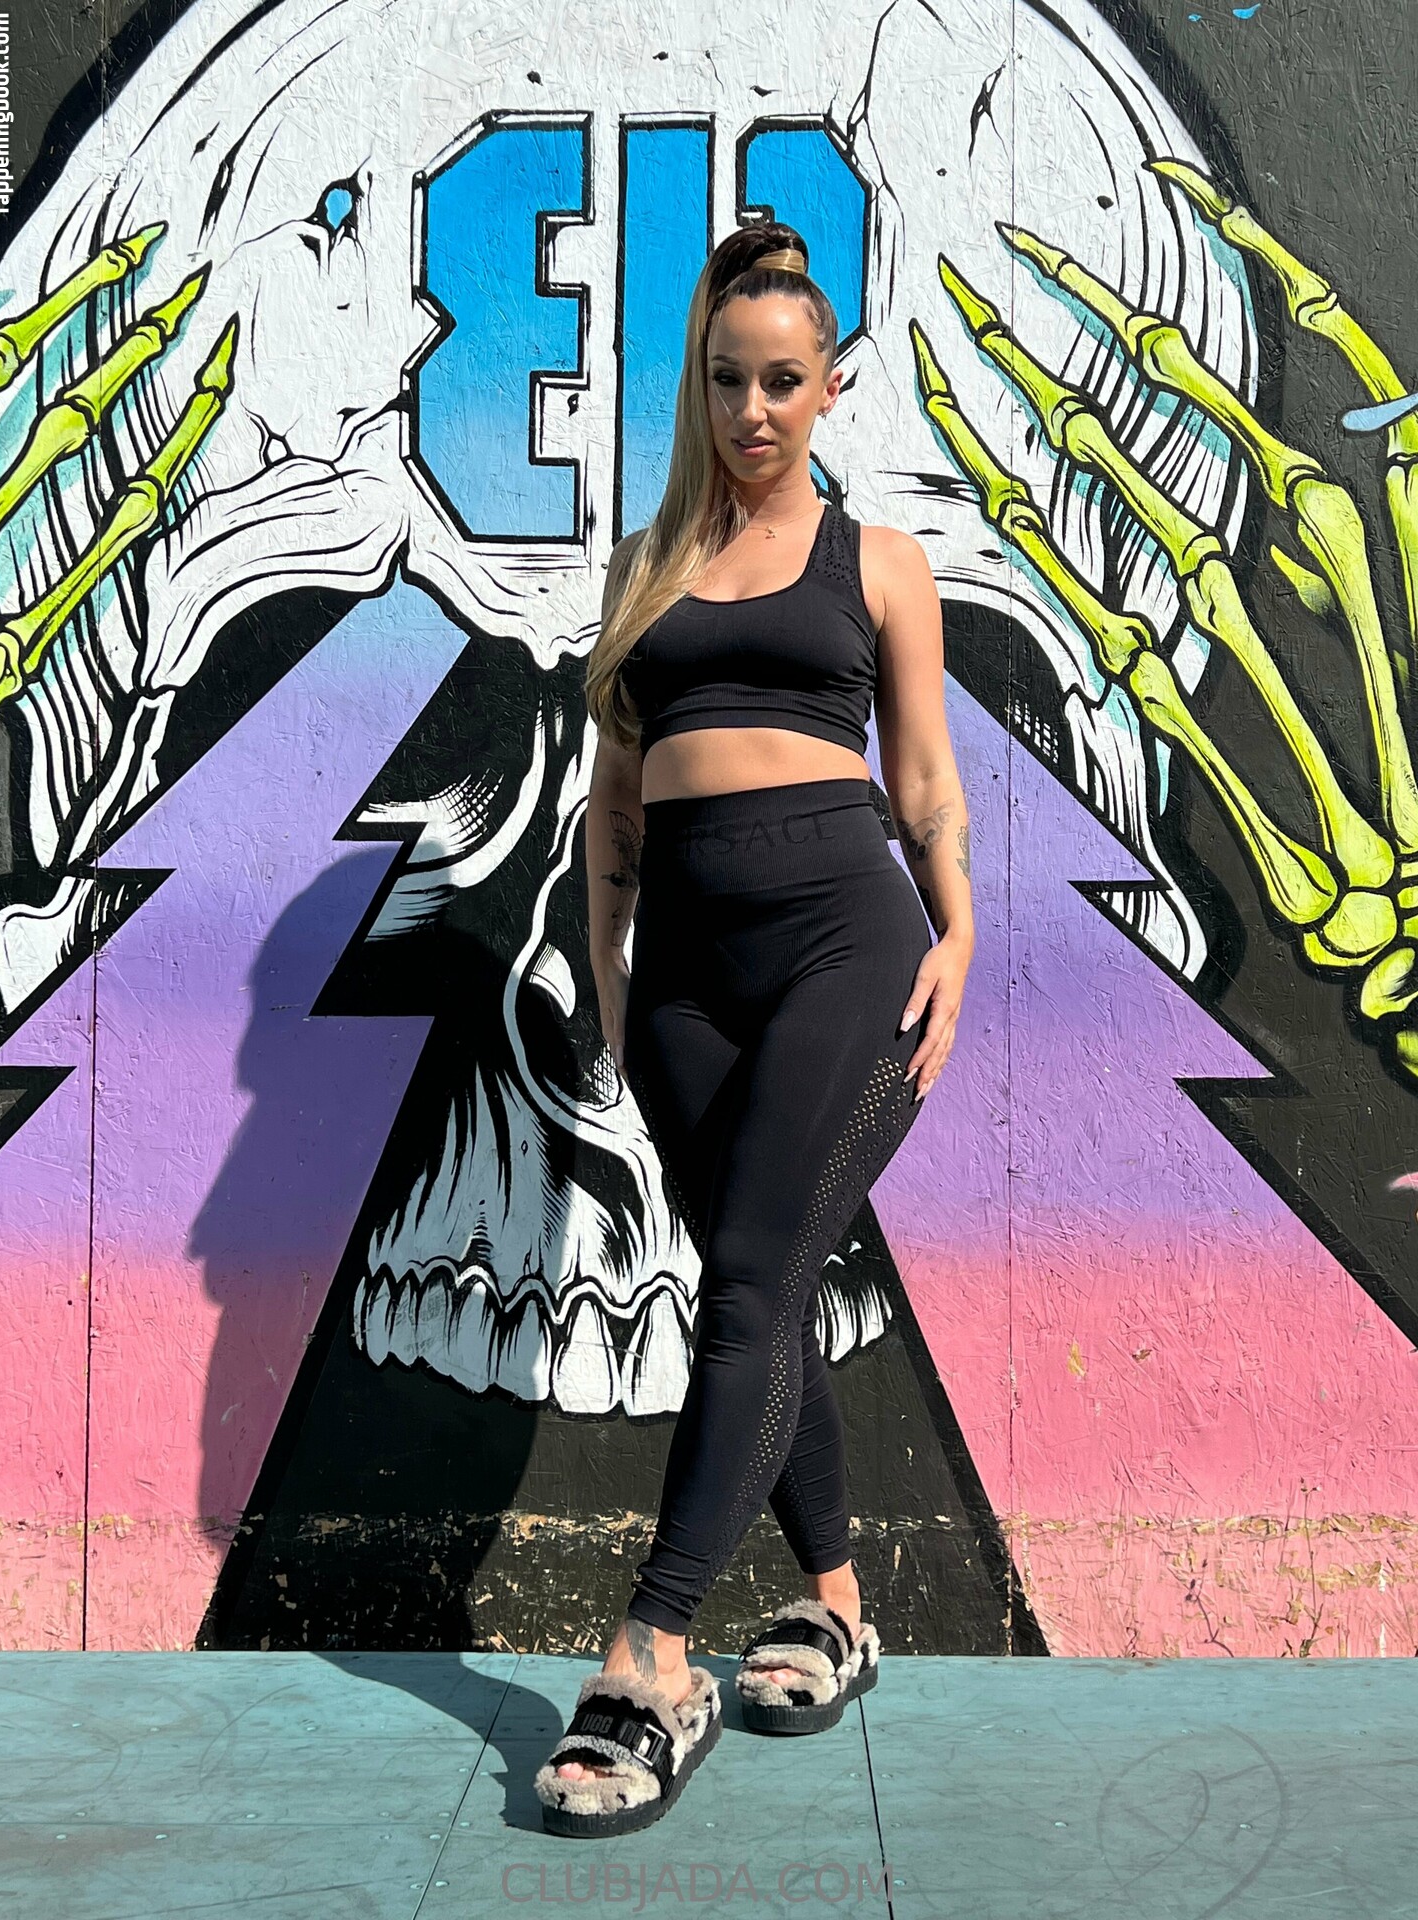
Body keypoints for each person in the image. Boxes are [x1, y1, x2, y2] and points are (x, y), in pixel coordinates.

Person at [532, 221, 973, 1839]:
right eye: (727, 381)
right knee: (757, 1288)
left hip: (846, 952)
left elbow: (921, 778)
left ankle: (652, 1652)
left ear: (829, 385)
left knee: (742, 1287)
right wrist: (608, 971)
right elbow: (614, 808)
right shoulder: (646, 572)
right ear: (698, 386)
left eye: (783, 381)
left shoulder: (881, 564)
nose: (754, 411)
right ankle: (840, 1604)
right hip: (683, 982)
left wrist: (962, 929)